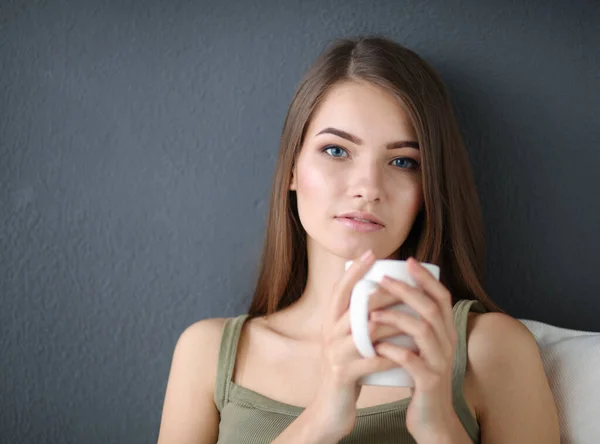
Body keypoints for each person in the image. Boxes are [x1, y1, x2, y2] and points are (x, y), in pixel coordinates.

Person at [157, 35, 560, 443]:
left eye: (403, 162)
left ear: (427, 189)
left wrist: (436, 422)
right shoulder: (207, 353)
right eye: (336, 151)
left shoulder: (491, 348)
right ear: (292, 169)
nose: (368, 187)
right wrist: (321, 419)